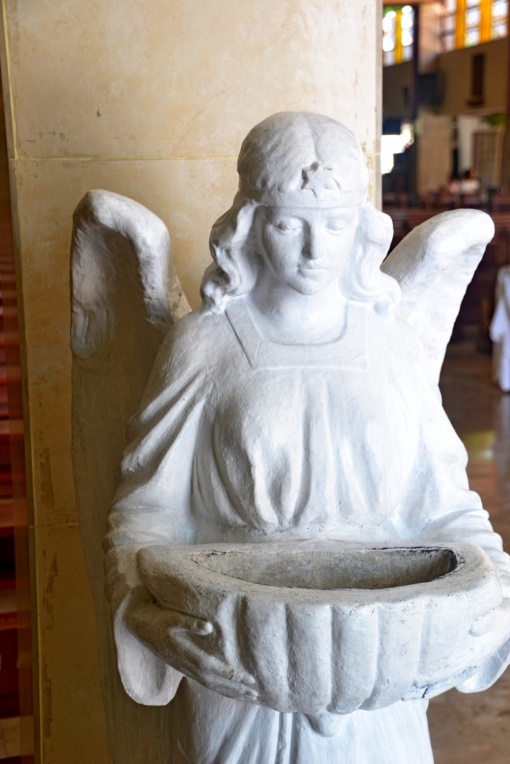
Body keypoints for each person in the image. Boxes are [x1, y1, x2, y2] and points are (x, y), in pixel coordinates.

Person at [104, 112, 510, 763]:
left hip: (381, 670)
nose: (316, 250)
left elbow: (447, 507)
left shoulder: (392, 346)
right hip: (242, 670)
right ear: (251, 223)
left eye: (337, 224)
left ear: (361, 228)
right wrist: (151, 617)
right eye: (290, 224)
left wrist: (493, 593)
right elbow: (146, 515)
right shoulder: (205, 347)